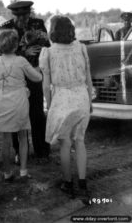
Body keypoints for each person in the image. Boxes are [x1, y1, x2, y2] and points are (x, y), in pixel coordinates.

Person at [39, 15, 93, 204]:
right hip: (82, 97)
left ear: (52, 31)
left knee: (65, 143)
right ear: (71, 29)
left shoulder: (48, 53)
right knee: (80, 141)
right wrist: (90, 100)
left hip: (61, 99)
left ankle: (68, 184)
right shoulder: (81, 48)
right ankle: (83, 185)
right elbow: (88, 77)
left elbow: (46, 86)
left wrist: (49, 104)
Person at [0, 1, 50, 162]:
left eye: (25, 15)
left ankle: (42, 150)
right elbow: (1, 51)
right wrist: (24, 51)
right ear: (14, 15)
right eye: (19, 16)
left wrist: (40, 50)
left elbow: (46, 45)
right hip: (15, 75)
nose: (23, 19)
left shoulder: (38, 23)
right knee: (17, 114)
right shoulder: (5, 27)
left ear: (30, 13)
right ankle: (20, 152)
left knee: (37, 114)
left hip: (34, 72)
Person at [0, 29, 42, 181]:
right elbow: (37, 78)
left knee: (6, 140)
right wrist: (38, 69)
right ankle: (23, 171)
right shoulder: (21, 61)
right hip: (19, 103)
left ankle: (7, 173)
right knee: (23, 136)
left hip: (3, 104)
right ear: (16, 45)